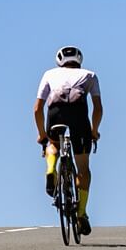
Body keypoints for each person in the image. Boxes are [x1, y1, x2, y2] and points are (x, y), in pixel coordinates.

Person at [34, 45, 102, 236]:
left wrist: (42, 135)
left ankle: (50, 170)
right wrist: (94, 130)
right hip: (79, 115)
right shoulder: (90, 75)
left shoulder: (49, 74)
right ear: (80, 60)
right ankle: (81, 213)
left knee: (53, 144)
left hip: (55, 113)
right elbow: (98, 107)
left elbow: (37, 108)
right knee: (83, 170)